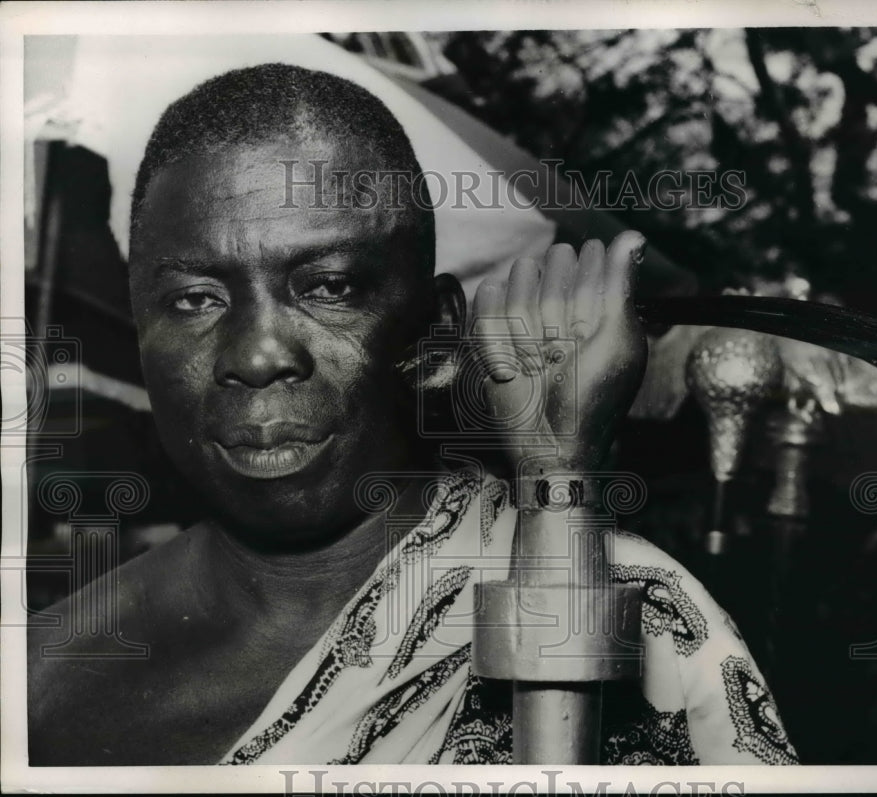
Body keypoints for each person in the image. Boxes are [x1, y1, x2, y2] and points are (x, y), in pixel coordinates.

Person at [27, 63, 797, 766]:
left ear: (433, 337)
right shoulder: (44, 672)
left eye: (327, 286)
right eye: (196, 299)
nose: (257, 355)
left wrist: (558, 482)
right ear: (142, 340)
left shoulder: (643, 615)